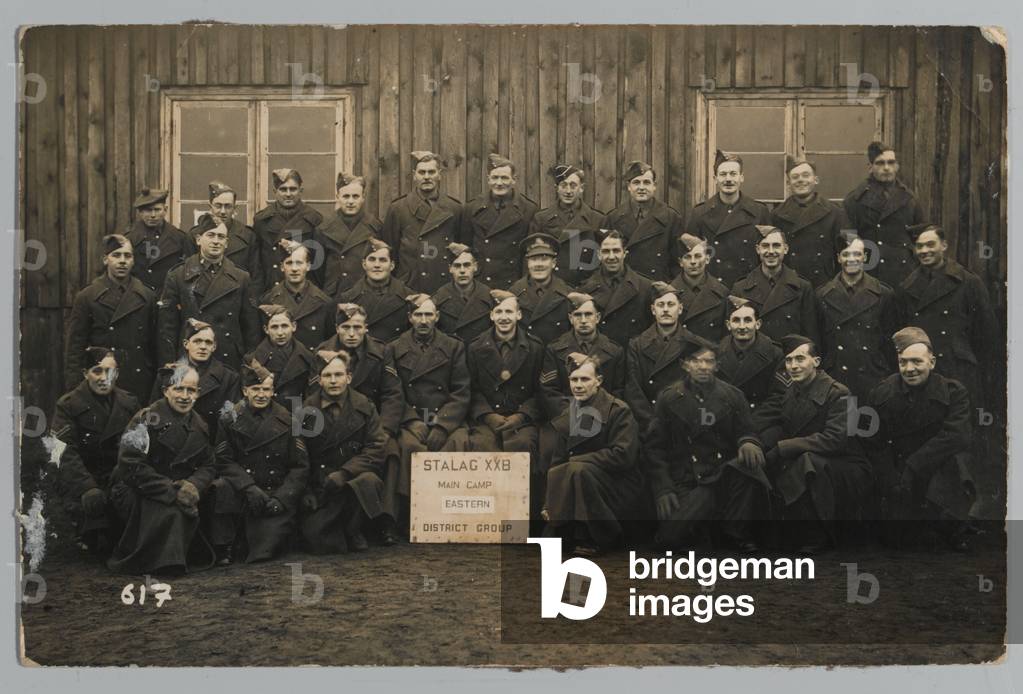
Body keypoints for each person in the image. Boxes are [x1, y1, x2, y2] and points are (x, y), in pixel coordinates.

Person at [645, 337, 769, 551]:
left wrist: (748, 442)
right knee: (669, 539)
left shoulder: (732, 396)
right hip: (685, 479)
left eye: (709, 361)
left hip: (721, 475)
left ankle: (736, 533)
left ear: (716, 366)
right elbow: (655, 449)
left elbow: (747, 430)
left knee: (748, 466)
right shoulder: (669, 398)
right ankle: (706, 531)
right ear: (685, 364)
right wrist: (663, 489)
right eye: (695, 361)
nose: (702, 366)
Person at [753, 335, 874, 554]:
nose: (793, 366)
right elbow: (785, 426)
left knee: (809, 463)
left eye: (800, 359)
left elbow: (835, 440)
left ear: (816, 362)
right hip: (810, 459)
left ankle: (819, 534)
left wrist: (784, 447)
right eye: (789, 361)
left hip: (846, 466)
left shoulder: (839, 393)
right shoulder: (790, 392)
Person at [865, 327, 975, 550]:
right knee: (897, 539)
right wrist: (890, 478)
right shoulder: (882, 393)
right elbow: (872, 442)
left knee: (952, 478)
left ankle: (953, 528)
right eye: (903, 362)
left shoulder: (953, 392)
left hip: (937, 468)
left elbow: (957, 435)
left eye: (917, 362)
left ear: (932, 362)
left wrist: (914, 465)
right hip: (899, 474)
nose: (909, 369)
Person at [106, 361, 217, 574]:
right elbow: (130, 464)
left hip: (181, 490)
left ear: (198, 393)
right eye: (178, 389)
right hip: (140, 489)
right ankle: (162, 563)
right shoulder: (146, 419)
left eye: (191, 390)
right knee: (172, 513)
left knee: (188, 508)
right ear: (166, 391)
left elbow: (208, 464)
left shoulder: (200, 425)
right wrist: (172, 491)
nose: (185, 396)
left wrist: (193, 486)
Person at [543, 354, 644, 556]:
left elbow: (622, 456)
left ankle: (596, 536)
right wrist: (549, 502)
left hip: (618, 486)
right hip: (581, 484)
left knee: (578, 470)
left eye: (585, 379)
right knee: (572, 470)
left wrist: (579, 461)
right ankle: (566, 531)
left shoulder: (618, 411)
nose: (578, 385)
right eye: (574, 379)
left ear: (599, 381)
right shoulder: (568, 414)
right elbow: (558, 463)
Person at [210, 359, 309, 564]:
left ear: (273, 391)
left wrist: (282, 498)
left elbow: (300, 466)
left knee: (264, 551)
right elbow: (224, 460)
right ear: (245, 391)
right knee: (221, 487)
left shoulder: (289, 420)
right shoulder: (229, 419)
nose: (261, 395)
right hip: (244, 490)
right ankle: (225, 546)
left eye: (266, 389)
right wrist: (248, 487)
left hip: (274, 493)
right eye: (256, 389)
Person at [465, 290, 549, 516]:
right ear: (491, 316)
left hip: (521, 420)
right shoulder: (475, 347)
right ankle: (486, 518)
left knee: (523, 447)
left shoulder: (535, 347)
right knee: (482, 448)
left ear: (519, 315)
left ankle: (522, 517)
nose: (504, 317)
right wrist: (488, 416)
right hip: (487, 419)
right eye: (499, 311)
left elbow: (541, 391)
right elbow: (470, 389)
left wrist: (521, 416)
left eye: (509, 312)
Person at [896, 223, 998, 406]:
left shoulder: (968, 283)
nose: (924, 251)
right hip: (924, 374)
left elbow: (987, 336)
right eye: (919, 246)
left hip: (959, 371)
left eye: (930, 244)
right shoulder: (906, 288)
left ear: (943, 245)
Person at [392, 294, 471, 529]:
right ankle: (410, 518)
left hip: (445, 418)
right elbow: (393, 392)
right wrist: (412, 421)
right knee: (408, 448)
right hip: (411, 420)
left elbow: (461, 391)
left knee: (458, 444)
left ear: (437, 317)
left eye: (428, 314)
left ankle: (450, 518)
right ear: (410, 318)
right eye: (418, 315)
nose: (423, 320)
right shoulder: (394, 348)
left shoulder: (453, 346)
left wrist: (442, 425)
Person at [298, 350, 390, 554]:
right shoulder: (307, 410)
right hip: (322, 486)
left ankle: (354, 529)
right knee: (319, 544)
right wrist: (307, 490)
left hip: (351, 481)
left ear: (348, 377)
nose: (333, 381)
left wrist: (345, 472)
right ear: (319, 380)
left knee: (369, 480)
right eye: (327, 375)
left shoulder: (364, 406)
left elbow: (376, 447)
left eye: (338, 375)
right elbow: (299, 455)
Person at [51, 347, 139, 556]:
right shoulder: (68, 405)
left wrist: (124, 472)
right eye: (97, 371)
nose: (103, 378)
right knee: (96, 544)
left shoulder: (129, 403)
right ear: (85, 373)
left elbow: (139, 445)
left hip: (118, 477)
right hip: (85, 480)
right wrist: (86, 487)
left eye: (110, 371)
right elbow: (63, 452)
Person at [157, 218, 261, 370]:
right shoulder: (178, 276)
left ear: (226, 243)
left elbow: (251, 328)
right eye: (211, 235)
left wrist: (249, 362)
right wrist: (169, 362)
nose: (216, 241)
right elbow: (167, 326)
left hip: (229, 358)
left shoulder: (241, 277)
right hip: (190, 358)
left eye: (221, 237)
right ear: (198, 240)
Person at [65, 234, 158, 402]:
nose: (122, 261)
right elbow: (75, 348)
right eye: (116, 255)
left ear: (133, 260)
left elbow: (155, 346)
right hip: (102, 380)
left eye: (127, 256)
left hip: (138, 382)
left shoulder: (147, 296)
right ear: (105, 259)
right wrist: (76, 390)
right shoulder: (87, 297)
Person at [816, 233, 898, 400]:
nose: (851, 259)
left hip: (872, 376)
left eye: (857, 254)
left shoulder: (884, 294)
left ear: (865, 257)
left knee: (866, 424)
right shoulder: (821, 295)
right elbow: (819, 341)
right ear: (838, 258)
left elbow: (889, 342)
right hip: (836, 376)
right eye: (846, 254)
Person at [843, 141, 925, 289]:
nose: (886, 168)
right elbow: (847, 235)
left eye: (891, 162)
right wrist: (866, 261)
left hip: (903, 273)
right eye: (880, 163)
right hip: (870, 272)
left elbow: (920, 236)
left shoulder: (909, 198)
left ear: (897, 166)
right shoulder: (855, 199)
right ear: (870, 167)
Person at [624, 281, 702, 434]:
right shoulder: (637, 345)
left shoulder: (694, 344)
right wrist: (653, 423)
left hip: (684, 425)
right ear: (653, 310)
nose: (665, 309)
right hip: (649, 426)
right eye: (660, 305)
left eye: (671, 304)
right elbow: (634, 391)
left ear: (680, 309)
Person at [382, 151, 464, 293]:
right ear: (414, 175)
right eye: (422, 172)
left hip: (445, 287)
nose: (426, 177)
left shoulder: (454, 208)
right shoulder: (398, 209)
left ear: (439, 174)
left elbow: (461, 250)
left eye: (431, 172)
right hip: (409, 286)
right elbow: (390, 252)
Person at [688, 151, 771, 287]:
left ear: (741, 177)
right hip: (712, 290)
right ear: (715, 179)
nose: (728, 179)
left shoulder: (759, 211)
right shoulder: (700, 213)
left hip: (749, 288)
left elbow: (768, 254)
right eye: (723, 174)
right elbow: (691, 258)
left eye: (733, 174)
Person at [729, 225, 820, 345]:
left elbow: (810, 336)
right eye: (765, 246)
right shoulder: (740, 288)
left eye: (776, 246)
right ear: (758, 249)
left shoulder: (802, 287)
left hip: (789, 360)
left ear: (786, 249)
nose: (771, 251)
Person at [152, 319, 240, 441]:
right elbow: (154, 414)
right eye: (197, 341)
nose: (203, 347)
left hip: (209, 441)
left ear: (214, 347)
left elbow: (230, 422)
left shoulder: (229, 378)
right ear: (186, 344)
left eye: (208, 342)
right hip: (173, 440)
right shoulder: (168, 374)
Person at [461, 154, 538, 290]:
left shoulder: (529, 209)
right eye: (495, 178)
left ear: (513, 180)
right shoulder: (472, 208)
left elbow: (529, 253)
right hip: (481, 282)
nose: (499, 183)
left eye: (504, 178)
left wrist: (524, 285)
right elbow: (466, 248)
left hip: (513, 283)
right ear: (488, 180)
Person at [770, 158, 846, 288]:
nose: (800, 180)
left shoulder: (836, 212)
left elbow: (848, 250)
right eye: (795, 177)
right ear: (788, 183)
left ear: (815, 180)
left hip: (825, 286)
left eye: (806, 175)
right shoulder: (776, 215)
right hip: (789, 286)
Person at [600, 161, 682, 281]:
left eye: (647, 182)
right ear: (629, 186)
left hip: (658, 289)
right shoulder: (613, 218)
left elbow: (678, 264)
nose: (641, 187)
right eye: (636, 182)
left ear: (654, 186)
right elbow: (604, 261)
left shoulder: (671, 218)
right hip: (624, 288)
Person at [529, 164, 605, 286]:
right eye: (563, 185)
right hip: (551, 287)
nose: (568, 191)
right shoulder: (542, 219)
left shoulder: (597, 219)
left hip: (586, 287)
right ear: (557, 188)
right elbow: (531, 257)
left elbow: (603, 261)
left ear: (581, 188)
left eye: (573, 185)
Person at [252, 168, 323, 294]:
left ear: (301, 190)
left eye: (293, 189)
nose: (288, 194)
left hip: (303, 290)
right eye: (283, 189)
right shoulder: (262, 220)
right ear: (275, 191)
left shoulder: (314, 219)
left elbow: (319, 261)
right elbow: (257, 264)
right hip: (271, 290)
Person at [577, 230, 653, 348]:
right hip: (600, 359)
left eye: (616, 251)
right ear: (599, 255)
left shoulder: (645, 287)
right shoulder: (585, 289)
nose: (611, 257)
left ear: (625, 253)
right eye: (606, 251)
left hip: (632, 357)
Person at [543, 292, 625, 399]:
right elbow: (550, 392)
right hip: (566, 413)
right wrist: (569, 414)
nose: (583, 321)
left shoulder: (615, 351)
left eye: (588, 314)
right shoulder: (554, 349)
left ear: (598, 317)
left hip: (602, 413)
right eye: (577, 315)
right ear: (570, 318)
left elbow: (618, 392)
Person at [316, 173, 383, 297]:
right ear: (337, 197)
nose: (350, 201)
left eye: (355, 196)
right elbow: (317, 270)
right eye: (346, 196)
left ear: (363, 197)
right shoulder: (323, 229)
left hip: (366, 293)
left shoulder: (375, 227)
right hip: (335, 294)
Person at [258, 242, 335, 349]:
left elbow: (330, 344)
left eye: (299, 263)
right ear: (282, 267)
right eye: (289, 263)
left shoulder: (325, 302)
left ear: (308, 266)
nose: (294, 268)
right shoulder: (268, 300)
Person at [715, 296, 786, 412]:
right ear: (728, 325)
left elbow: (778, 398)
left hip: (761, 421)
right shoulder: (715, 353)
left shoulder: (775, 354)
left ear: (757, 324)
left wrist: (751, 425)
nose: (742, 327)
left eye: (747, 320)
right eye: (736, 320)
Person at [336, 238, 414, 343]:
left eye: (383, 260)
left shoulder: (408, 297)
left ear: (392, 265)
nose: (377, 265)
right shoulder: (348, 298)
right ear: (364, 264)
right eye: (372, 259)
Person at [248, 305, 318, 410]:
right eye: (274, 327)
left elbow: (312, 397)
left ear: (294, 326)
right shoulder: (253, 360)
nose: (280, 333)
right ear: (266, 329)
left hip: (297, 415)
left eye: (284, 326)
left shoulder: (308, 358)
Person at [509, 233, 574, 344]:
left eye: (544, 259)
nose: (538, 264)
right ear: (527, 263)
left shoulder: (569, 295)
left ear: (553, 263)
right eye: (534, 259)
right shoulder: (512, 294)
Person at [126, 187, 194, 292]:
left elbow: (188, 272)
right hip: (139, 297)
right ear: (140, 212)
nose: (153, 215)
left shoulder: (180, 238)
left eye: (157, 210)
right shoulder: (129, 239)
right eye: (148, 210)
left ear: (165, 210)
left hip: (168, 297)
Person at [188, 181, 258, 274]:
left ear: (235, 208)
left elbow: (256, 276)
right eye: (218, 206)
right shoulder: (195, 235)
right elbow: (188, 272)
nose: (223, 211)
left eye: (228, 206)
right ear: (210, 206)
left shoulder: (247, 236)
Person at [431, 242, 495, 344]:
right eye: (457, 266)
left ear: (475, 267)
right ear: (450, 269)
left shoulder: (489, 296)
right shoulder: (439, 298)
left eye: (467, 265)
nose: (462, 271)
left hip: (480, 353)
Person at [670, 233, 729, 342]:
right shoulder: (669, 294)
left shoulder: (722, 292)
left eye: (697, 256)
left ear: (707, 259)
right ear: (680, 262)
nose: (693, 261)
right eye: (687, 257)